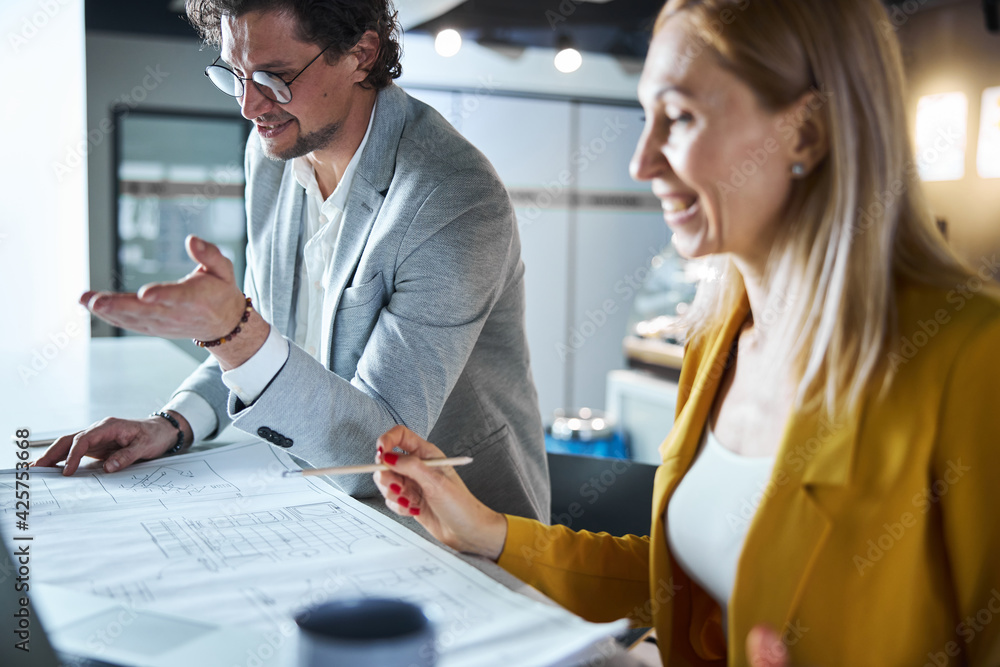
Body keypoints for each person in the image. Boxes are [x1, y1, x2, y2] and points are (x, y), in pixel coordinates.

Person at [371, 0, 1000, 664]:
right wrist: (491, 533)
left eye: (681, 118)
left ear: (808, 132)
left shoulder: (969, 359)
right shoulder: (716, 341)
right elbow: (681, 583)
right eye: (647, 118)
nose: (642, 163)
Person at [35, 0, 550, 522]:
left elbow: (380, 451)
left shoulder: (450, 196)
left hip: (464, 527)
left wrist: (232, 332)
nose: (249, 106)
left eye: (273, 77)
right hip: (321, 495)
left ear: (361, 55)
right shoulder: (272, 155)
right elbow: (269, 344)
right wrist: (173, 423)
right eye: (235, 75)